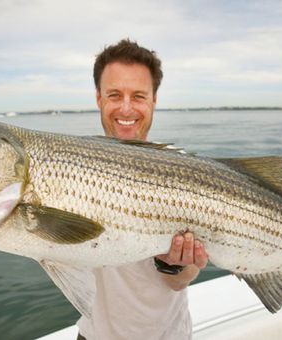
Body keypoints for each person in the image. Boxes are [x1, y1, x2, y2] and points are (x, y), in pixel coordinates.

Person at [77, 39, 208, 340]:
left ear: (153, 100)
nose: (126, 108)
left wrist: (173, 265)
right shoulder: (74, 165)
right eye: (114, 95)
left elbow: (180, 281)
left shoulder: (188, 173)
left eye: (138, 96)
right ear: (99, 98)